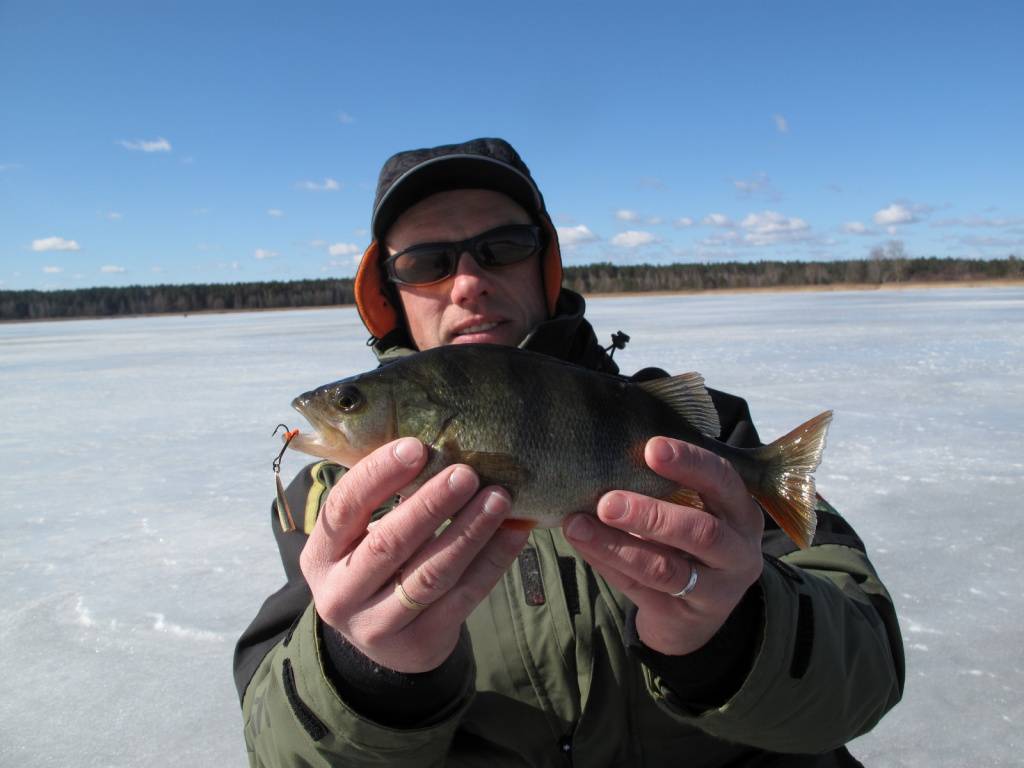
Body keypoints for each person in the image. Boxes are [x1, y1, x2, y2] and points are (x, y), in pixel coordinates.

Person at [234, 138, 904, 767]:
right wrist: (359, 674)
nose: (467, 282)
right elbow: (274, 745)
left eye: (502, 247)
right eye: (425, 263)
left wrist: (735, 634)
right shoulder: (327, 504)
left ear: (545, 262)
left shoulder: (704, 438)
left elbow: (868, 665)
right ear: (387, 291)